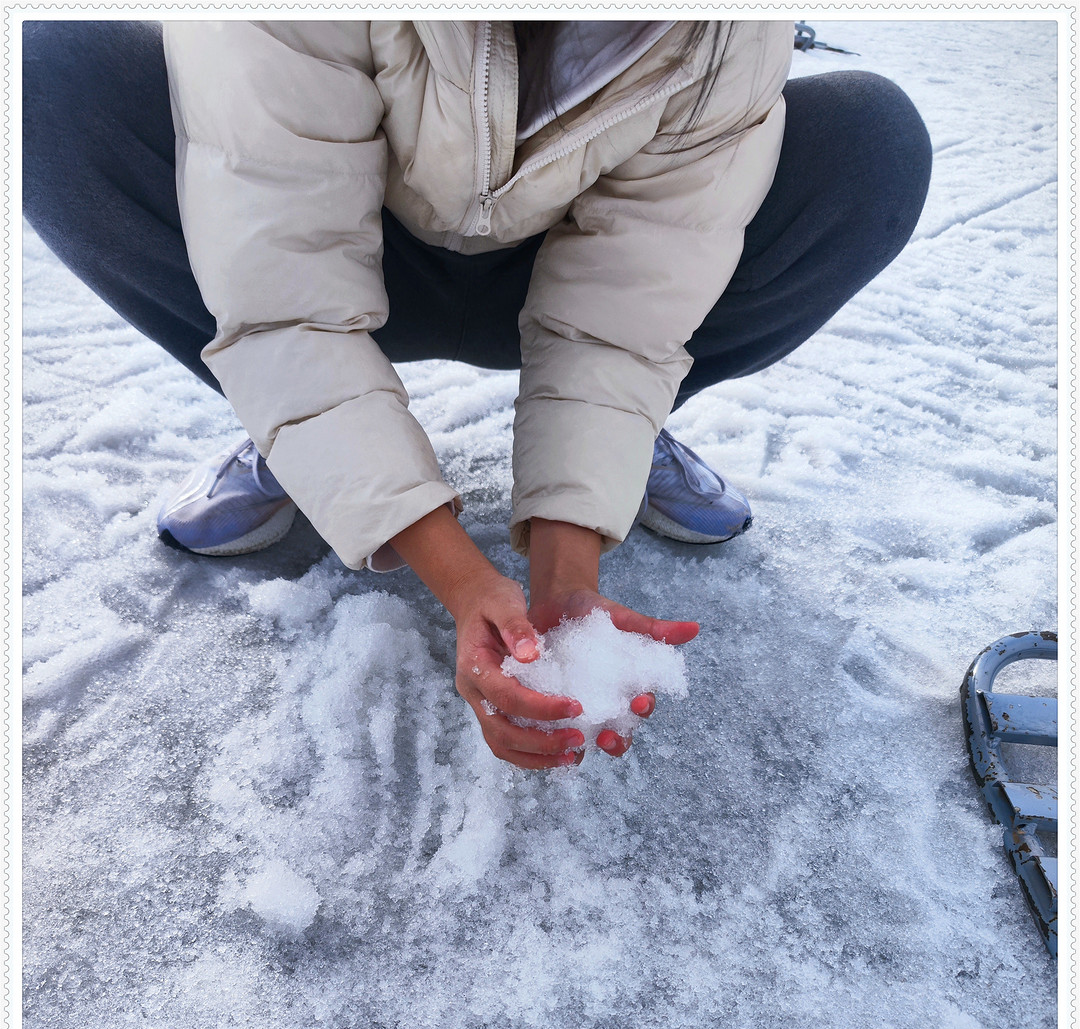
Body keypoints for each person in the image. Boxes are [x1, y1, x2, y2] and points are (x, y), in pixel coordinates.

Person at [23, 19, 932, 770]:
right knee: (52, 76)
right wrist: (460, 581)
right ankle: (307, 440)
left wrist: (567, 572)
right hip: (352, 246)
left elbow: (626, 309)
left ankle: (619, 437)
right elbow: (282, 291)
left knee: (868, 143)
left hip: (553, 264)